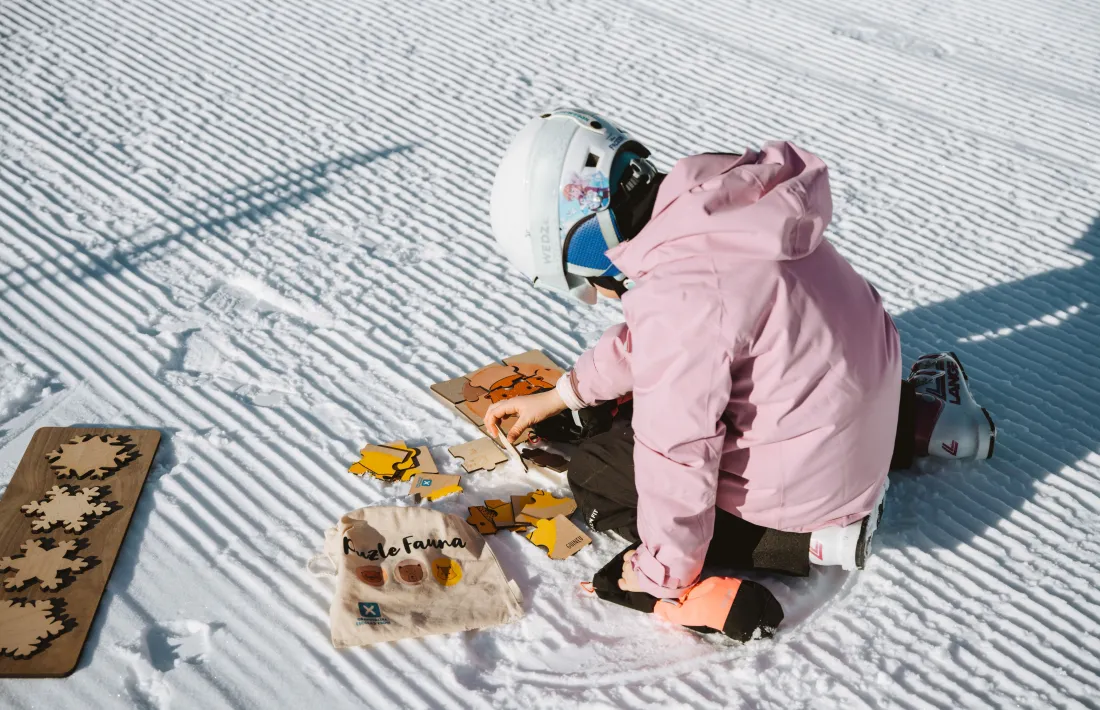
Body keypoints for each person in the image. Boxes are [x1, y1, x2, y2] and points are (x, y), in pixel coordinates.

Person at [483, 108, 997, 608]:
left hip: (819, 481)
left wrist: (658, 573)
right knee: (801, 361)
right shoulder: (724, 206)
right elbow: (668, 337)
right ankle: (931, 425)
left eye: (586, 279)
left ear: (589, 239)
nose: (602, 289)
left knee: (601, 475)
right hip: (871, 402)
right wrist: (560, 394)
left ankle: (811, 542)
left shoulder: (682, 299)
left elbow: (678, 454)